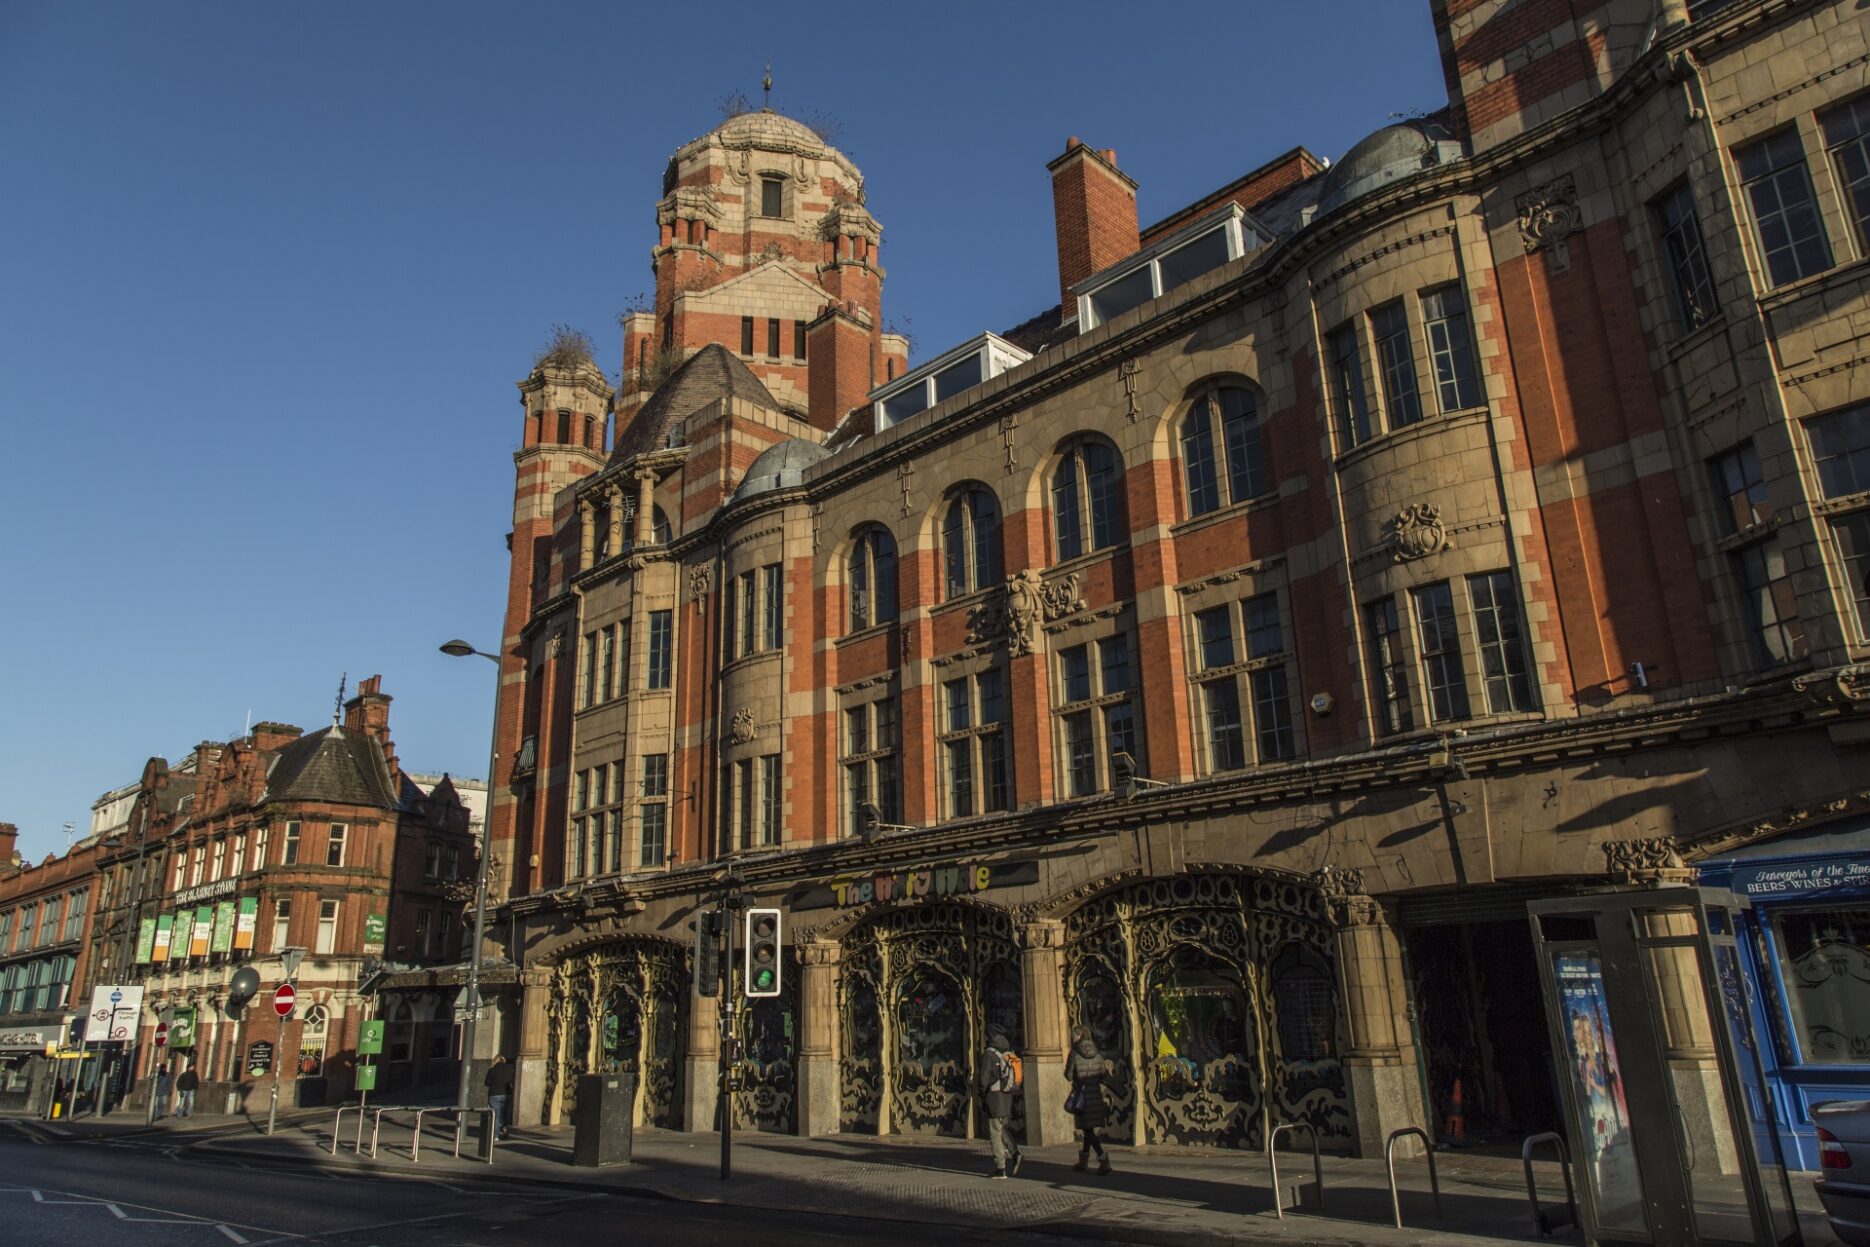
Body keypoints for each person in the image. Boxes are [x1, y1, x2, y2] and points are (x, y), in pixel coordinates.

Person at [1066, 1028, 1112, 1175]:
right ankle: (1083, 1161)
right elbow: (1103, 1076)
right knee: (1088, 1128)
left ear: (1079, 1036)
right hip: (1095, 1095)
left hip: (1082, 1096)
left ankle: (1103, 1159)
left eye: (1074, 1034)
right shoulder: (1097, 1055)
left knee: (1088, 1130)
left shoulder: (1074, 1054)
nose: (1072, 1037)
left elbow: (1068, 1075)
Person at [978, 1028, 1022, 1179]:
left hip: (994, 1096)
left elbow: (984, 1078)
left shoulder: (989, 1054)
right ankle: (1015, 1152)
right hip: (1006, 1096)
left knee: (994, 1133)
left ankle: (1000, 1167)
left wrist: (981, 1092)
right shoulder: (1006, 1051)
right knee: (1001, 1127)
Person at [485, 1054, 514, 1140]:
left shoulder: (492, 1069)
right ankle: (505, 1130)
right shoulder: (510, 1068)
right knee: (504, 1114)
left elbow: (486, 1083)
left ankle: (496, 1135)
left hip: (494, 1094)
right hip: (506, 1094)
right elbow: (512, 1081)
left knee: (496, 1115)